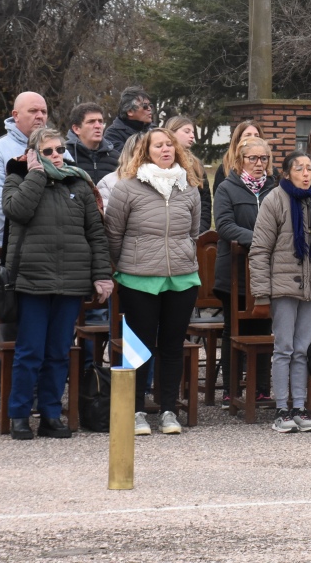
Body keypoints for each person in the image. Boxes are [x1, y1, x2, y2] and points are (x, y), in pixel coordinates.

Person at [2, 128, 113, 439]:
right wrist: (36, 175)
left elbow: (96, 233)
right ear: (32, 154)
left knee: (58, 352)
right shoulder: (17, 178)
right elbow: (17, 211)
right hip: (32, 279)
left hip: (71, 280)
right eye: (47, 151)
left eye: (59, 150)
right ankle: (20, 414)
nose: (56, 156)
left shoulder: (78, 182)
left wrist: (102, 274)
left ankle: (51, 414)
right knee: (29, 352)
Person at [104, 128, 202, 435]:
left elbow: (194, 232)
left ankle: (169, 410)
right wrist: (126, 265)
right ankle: (136, 411)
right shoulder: (127, 187)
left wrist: (183, 255)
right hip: (139, 277)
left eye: (170, 144)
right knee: (139, 346)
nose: (166, 149)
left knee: (172, 346)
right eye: (159, 145)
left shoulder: (189, 187)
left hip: (182, 278)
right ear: (146, 151)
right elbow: (114, 234)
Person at [250, 151, 311, 432]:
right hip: (283, 289)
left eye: (310, 168)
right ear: (287, 173)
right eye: (300, 168)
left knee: (303, 350)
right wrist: (262, 294)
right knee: (284, 349)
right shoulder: (274, 200)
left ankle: (300, 407)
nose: (306, 173)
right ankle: (281, 410)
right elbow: (259, 250)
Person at [213, 136, 277, 405]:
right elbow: (225, 226)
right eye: (253, 158)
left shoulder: (276, 188)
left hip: (269, 273)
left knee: (263, 328)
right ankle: (231, 388)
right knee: (233, 330)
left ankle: (261, 387)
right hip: (235, 272)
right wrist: (261, 239)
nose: (259, 163)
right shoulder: (228, 188)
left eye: (264, 158)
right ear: (240, 160)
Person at [0, 91, 49, 247]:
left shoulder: (58, 149)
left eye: (43, 111)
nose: (40, 116)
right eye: (33, 111)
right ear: (16, 115)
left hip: (52, 243)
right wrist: (37, 225)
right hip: (7, 245)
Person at [164, 116, 212, 233]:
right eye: (187, 131)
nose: (192, 136)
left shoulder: (196, 164)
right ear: (171, 132)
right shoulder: (162, 162)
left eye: (193, 132)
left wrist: (201, 229)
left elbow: (205, 201)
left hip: (195, 231)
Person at [65, 102, 120, 184]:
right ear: (76, 129)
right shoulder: (65, 155)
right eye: (91, 122)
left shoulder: (116, 158)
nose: (98, 126)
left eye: (100, 121)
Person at [213, 120, 262, 193]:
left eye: (256, 135)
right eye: (248, 135)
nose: (253, 138)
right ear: (238, 139)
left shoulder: (269, 170)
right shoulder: (224, 169)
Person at [96, 134, 141, 210]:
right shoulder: (108, 182)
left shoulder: (162, 180)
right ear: (129, 152)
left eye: (147, 150)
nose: (144, 154)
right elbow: (106, 217)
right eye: (139, 150)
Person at [104, 86, 153, 151]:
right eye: (145, 106)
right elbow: (122, 158)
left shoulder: (153, 129)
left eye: (150, 105)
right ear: (130, 111)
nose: (149, 109)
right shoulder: (113, 134)